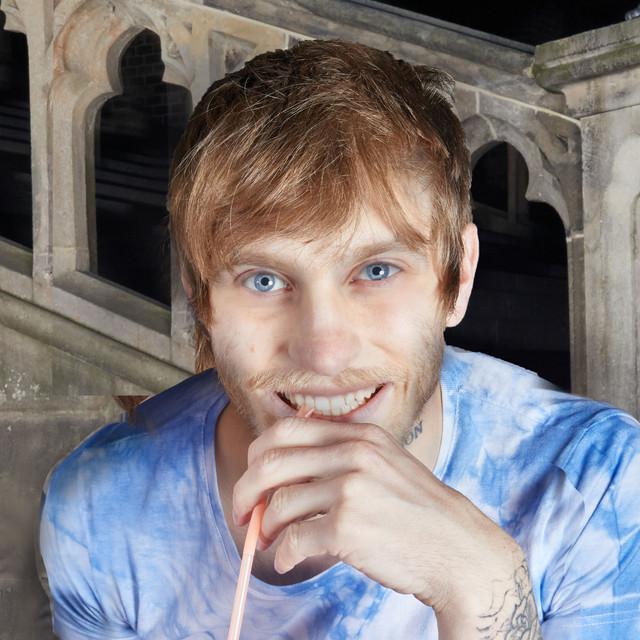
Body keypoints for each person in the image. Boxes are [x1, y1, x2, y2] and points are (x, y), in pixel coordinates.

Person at [39, 39, 640, 639]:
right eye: (265, 279)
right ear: (201, 299)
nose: (324, 354)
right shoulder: (100, 510)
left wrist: (483, 591)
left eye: (376, 270)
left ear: (457, 278)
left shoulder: (597, 487)